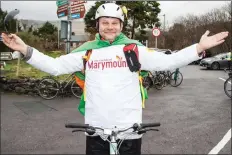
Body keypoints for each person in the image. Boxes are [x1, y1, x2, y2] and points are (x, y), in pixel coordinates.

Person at [1, 3, 229, 155]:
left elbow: (167, 62)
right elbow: (54, 66)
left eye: (114, 23)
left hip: (130, 129)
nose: (110, 27)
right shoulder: (87, 52)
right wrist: (25, 49)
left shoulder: (133, 50)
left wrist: (198, 48)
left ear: (121, 26)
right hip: (96, 129)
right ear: (98, 25)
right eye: (105, 23)